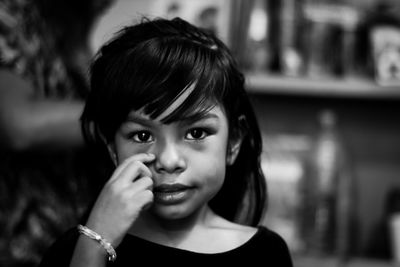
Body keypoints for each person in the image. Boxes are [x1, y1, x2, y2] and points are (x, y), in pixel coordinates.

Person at [39, 17, 293, 266]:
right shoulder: (77, 249)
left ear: (233, 142)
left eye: (196, 133)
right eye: (143, 136)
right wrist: (94, 244)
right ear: (112, 148)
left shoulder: (265, 254)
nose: (169, 161)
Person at [0, 0, 113, 266]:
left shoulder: (71, 29)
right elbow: (19, 125)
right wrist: (131, 121)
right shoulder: (10, 17)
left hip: (76, 246)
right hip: (23, 252)